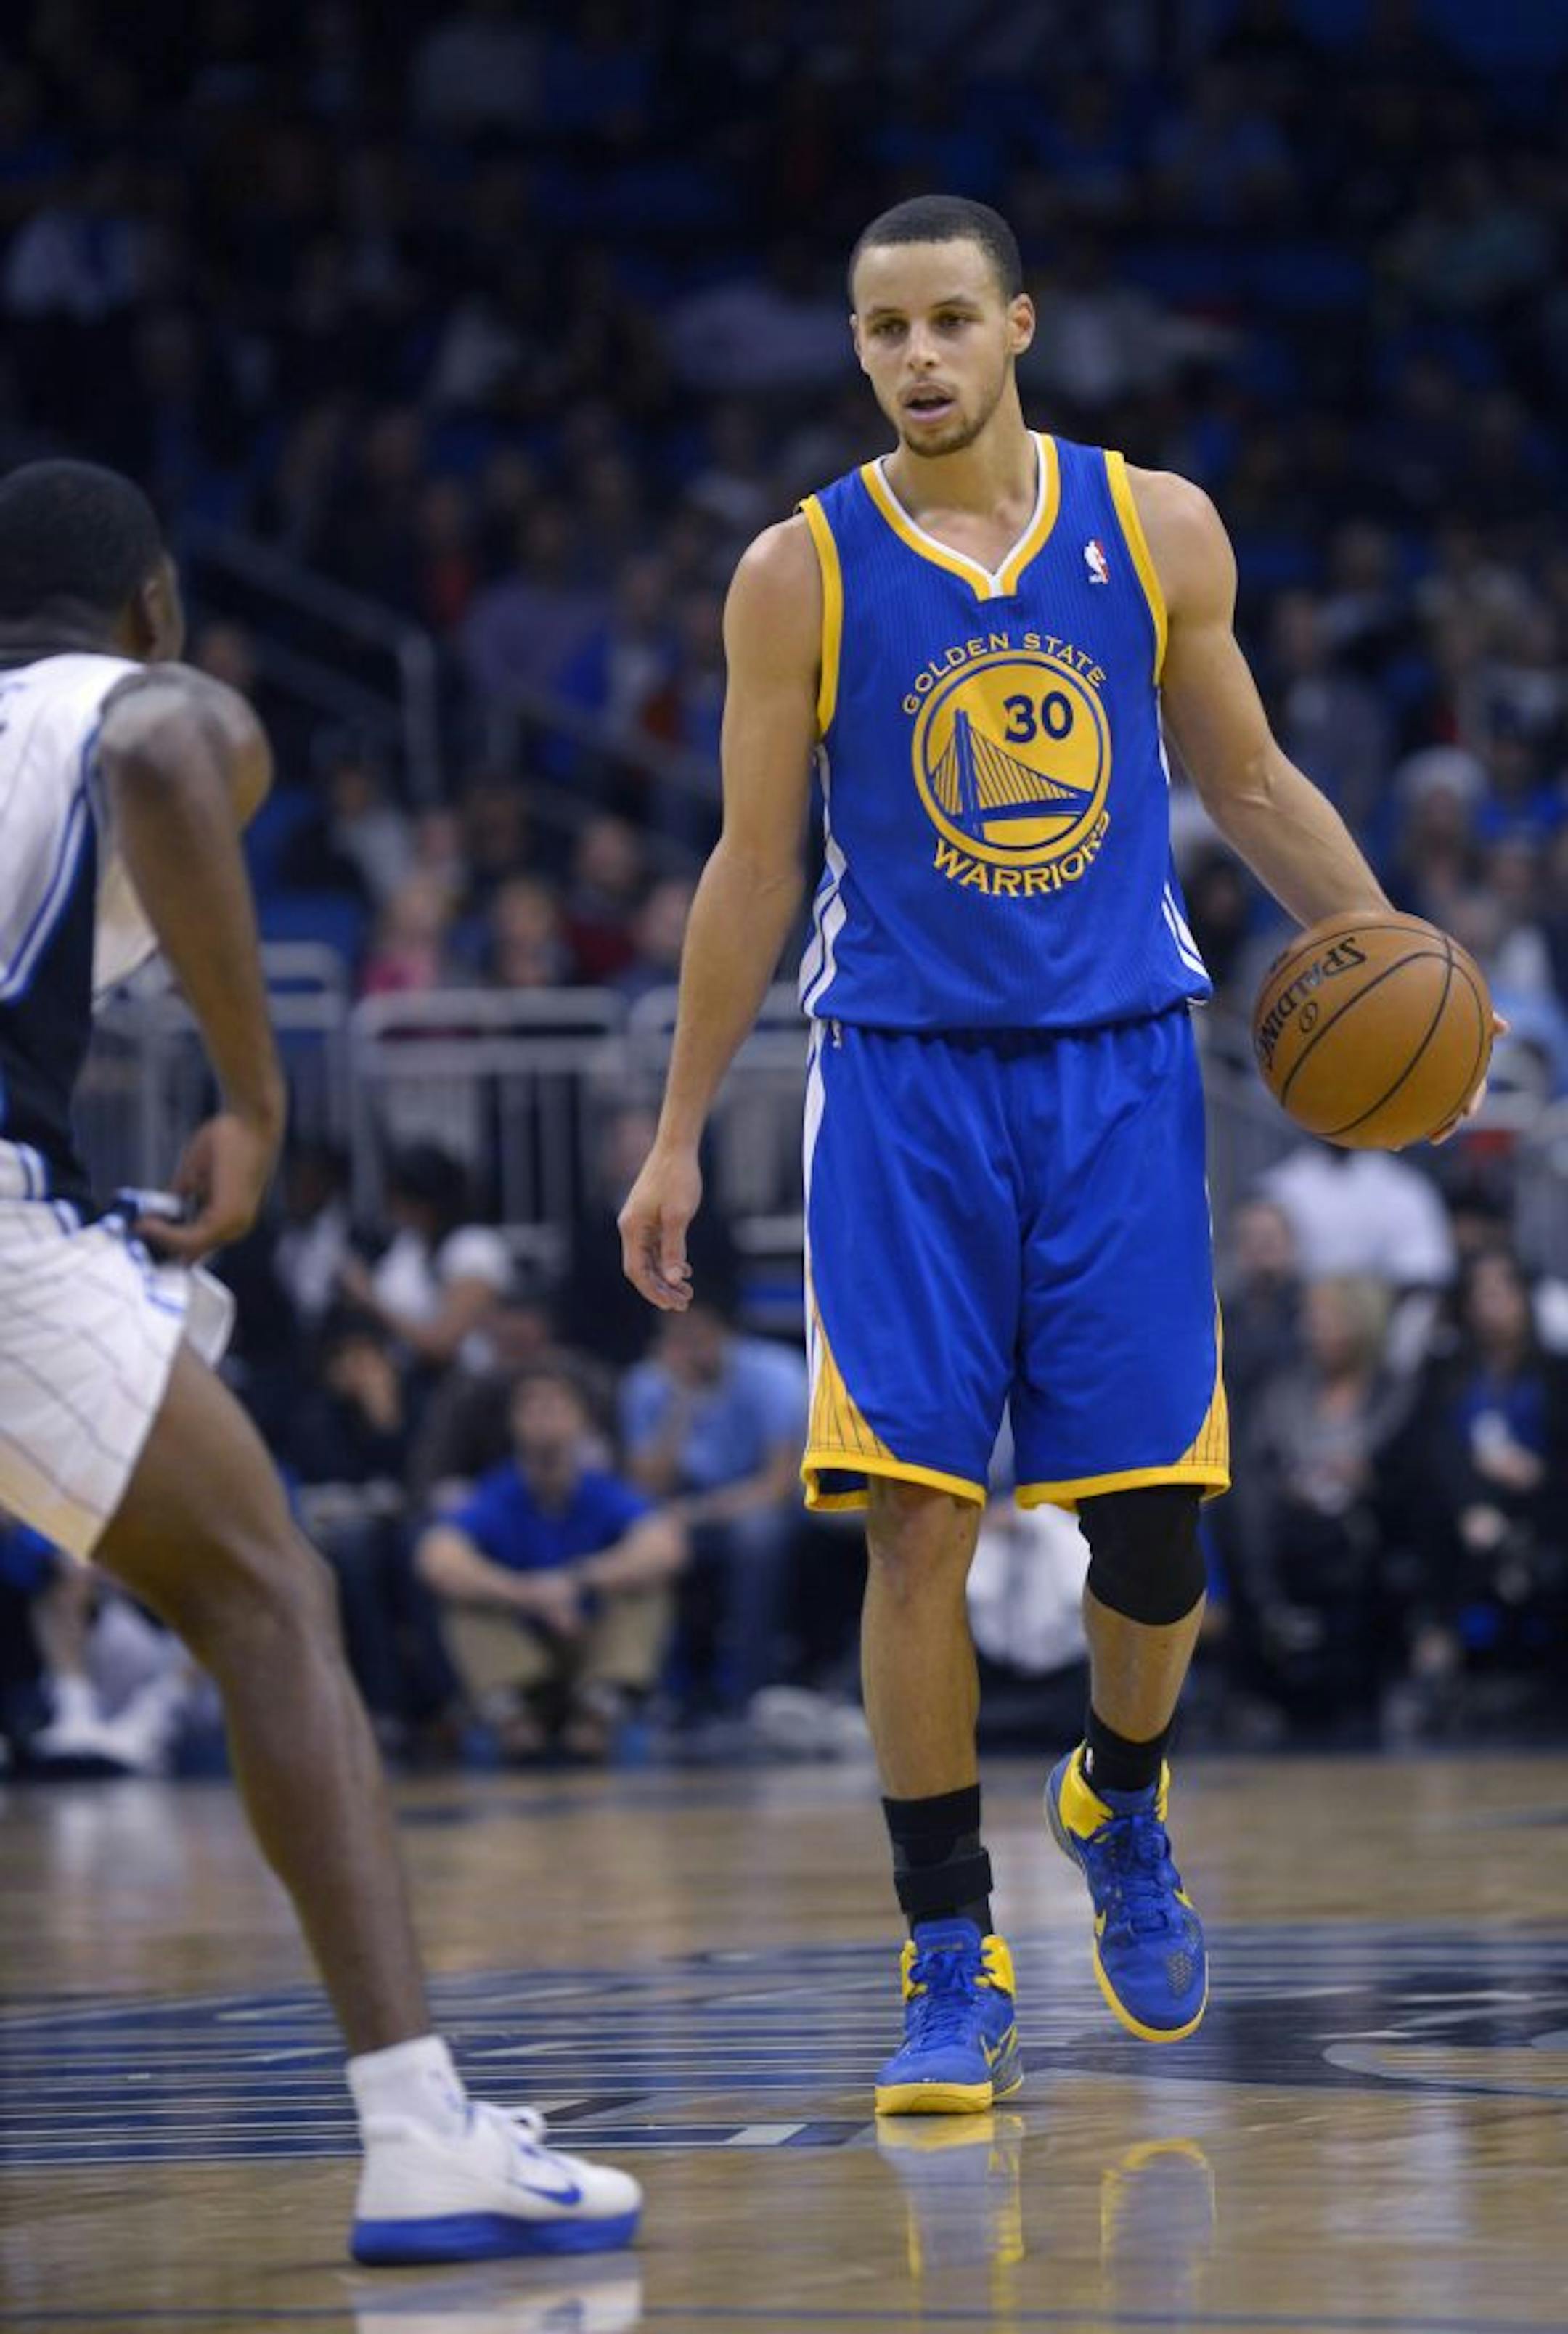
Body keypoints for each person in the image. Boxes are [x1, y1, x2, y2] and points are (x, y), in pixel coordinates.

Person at [618, 195, 1493, 2115]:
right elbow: (754, 863)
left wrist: (1416, 964)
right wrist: (679, 1130)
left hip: (1117, 1070)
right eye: (882, 331)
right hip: (904, 1078)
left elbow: (1246, 776)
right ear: (858, 349)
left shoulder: (1156, 524)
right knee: (916, 1517)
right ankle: (948, 1945)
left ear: (1019, 325)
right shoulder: (800, 571)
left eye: (948, 321)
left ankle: (1117, 1790)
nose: (916, 359)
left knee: (1156, 1534)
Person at [0, 459, 640, 2257]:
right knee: (272, 1599)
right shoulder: (123, 698)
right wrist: (261, 1102)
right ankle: (419, 2129)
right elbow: (172, 760)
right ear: (153, 606)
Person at [416, 1360, 686, 1761]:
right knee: (462, 1600)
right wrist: (528, 1594)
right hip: (527, 1648)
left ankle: (599, 1710)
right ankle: (513, 1715)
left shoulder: (602, 1490)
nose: (543, 1414)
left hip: (589, 1640)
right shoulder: (498, 1492)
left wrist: (577, 1581)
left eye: (556, 1404)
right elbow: (436, 1557)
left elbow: (666, 1546)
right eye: (531, 1405)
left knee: (649, 1588)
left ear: (583, 1421)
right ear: (512, 1423)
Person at [620, 1299, 807, 1720]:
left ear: (727, 1336)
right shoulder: (649, 1384)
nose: (690, 1350)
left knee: (757, 1535)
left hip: (762, 1504)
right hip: (689, 1506)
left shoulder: (773, 1374)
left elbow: (777, 1484)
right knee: (644, 1536)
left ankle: (746, 1688)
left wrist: (699, 1513)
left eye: (699, 1338)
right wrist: (680, 1403)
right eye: (677, 1340)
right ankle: (656, 1691)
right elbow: (645, 1486)